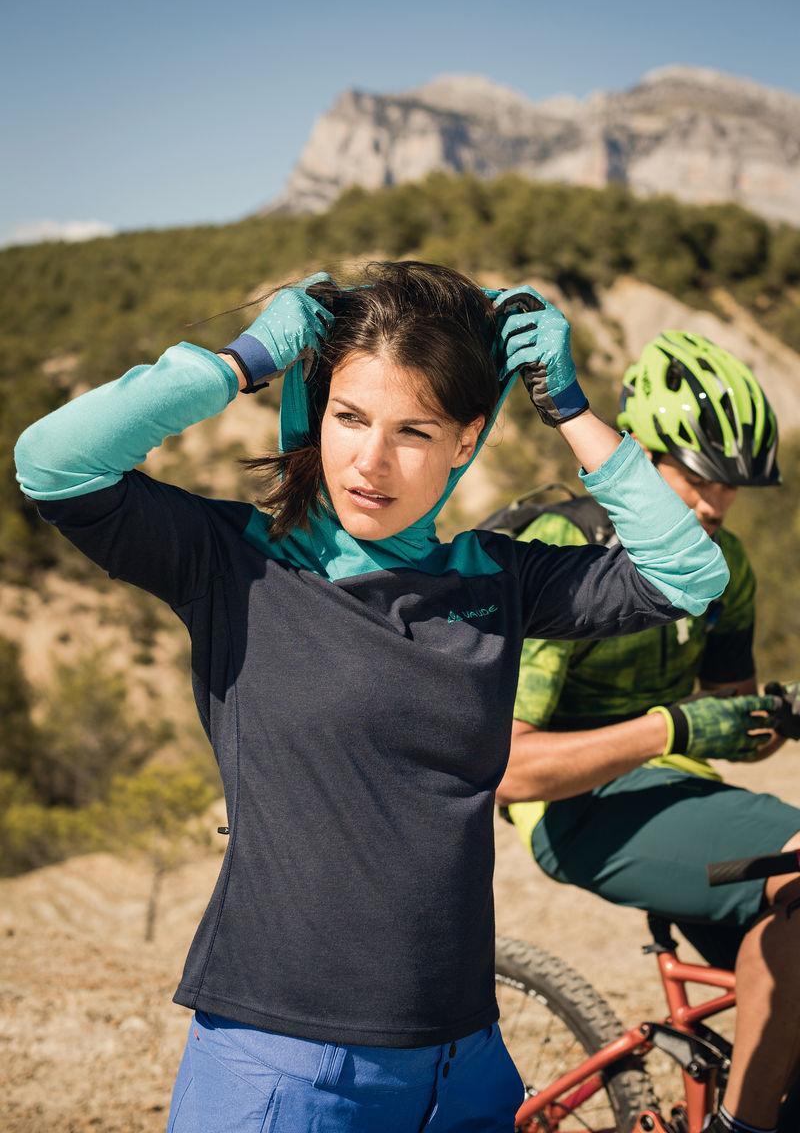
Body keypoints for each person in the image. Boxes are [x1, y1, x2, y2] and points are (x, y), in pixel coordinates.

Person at [15, 264, 731, 1133]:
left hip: (462, 1060)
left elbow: (689, 574)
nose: (371, 460)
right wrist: (244, 360)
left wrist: (571, 408)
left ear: (467, 442)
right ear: (318, 416)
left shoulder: (498, 579)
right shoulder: (239, 562)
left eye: (414, 432)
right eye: (349, 417)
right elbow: (50, 465)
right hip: (282, 1063)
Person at [496, 329, 800, 1133]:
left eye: (732, 488)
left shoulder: (726, 565)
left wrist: (762, 719)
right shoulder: (566, 548)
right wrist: (674, 727)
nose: (713, 505)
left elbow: (738, 722)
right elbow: (510, 770)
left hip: (676, 791)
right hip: (573, 809)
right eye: (701, 477)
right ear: (639, 450)